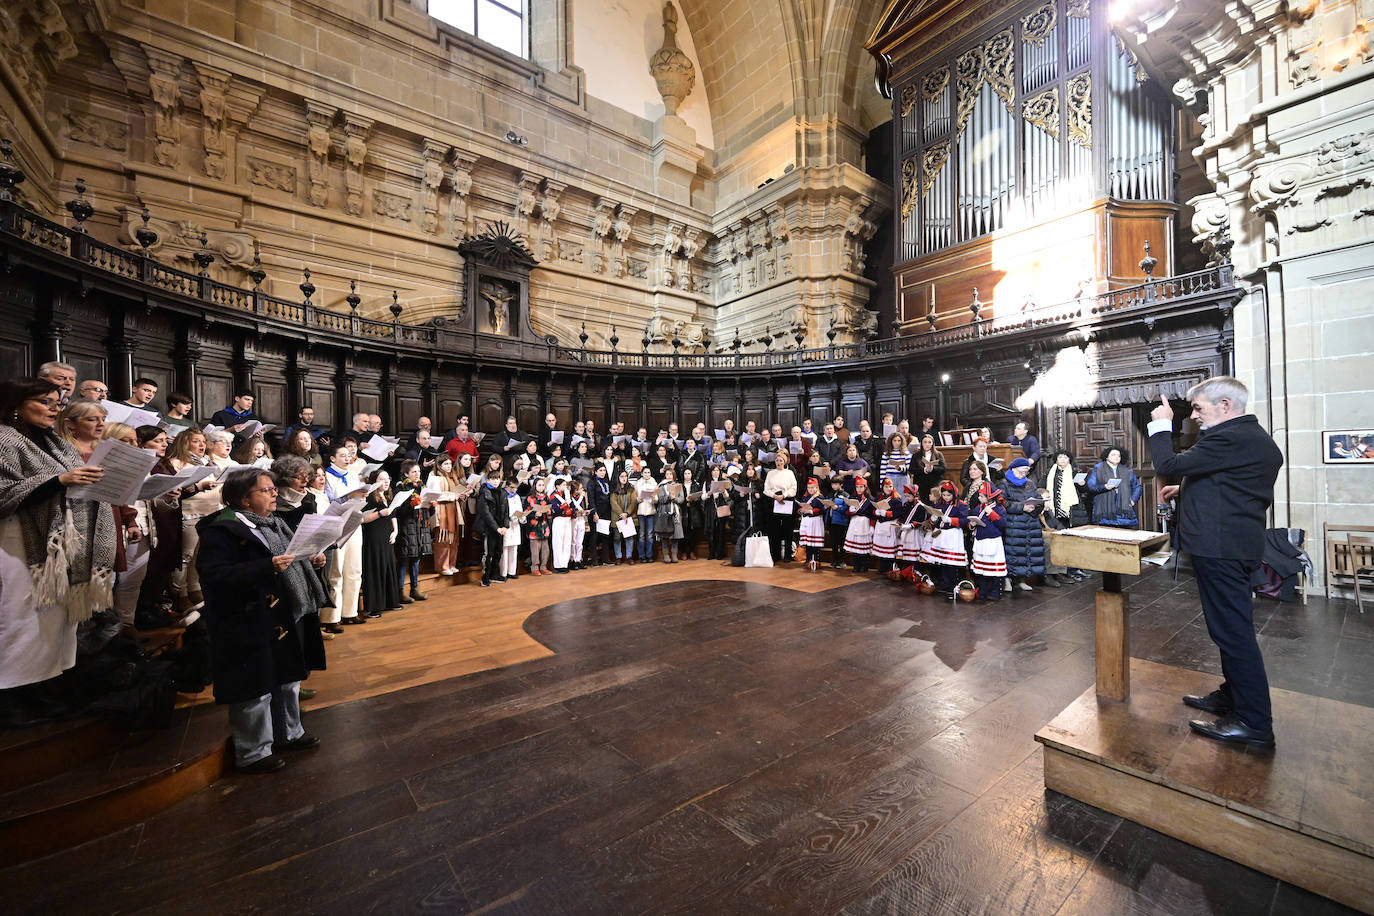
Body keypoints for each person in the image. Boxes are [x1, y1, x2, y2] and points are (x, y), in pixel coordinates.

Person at [1149, 380, 1283, 749]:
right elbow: (1230, 484)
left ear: (1225, 405)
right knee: (1228, 628)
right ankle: (1233, 697)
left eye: (1198, 409)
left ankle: (1254, 723)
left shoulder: (1231, 437)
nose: (1193, 416)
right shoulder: (1245, 436)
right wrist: (1187, 489)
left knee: (1233, 633)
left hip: (1223, 548)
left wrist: (1162, 423)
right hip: (1230, 544)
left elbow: (1167, 464)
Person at [196, 468, 327, 773]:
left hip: (281, 610)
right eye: (266, 490)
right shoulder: (221, 530)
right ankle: (254, 752)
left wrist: (311, 560)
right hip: (245, 617)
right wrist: (265, 567)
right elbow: (215, 575)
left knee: (287, 678)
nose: (274, 494)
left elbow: (288, 560)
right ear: (244, 498)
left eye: (273, 489)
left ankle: (288, 734)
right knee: (253, 688)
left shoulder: (275, 523)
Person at [0, 378, 114, 726]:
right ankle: (9, 696)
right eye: (45, 401)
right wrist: (60, 482)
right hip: (19, 539)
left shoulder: (54, 441)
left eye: (57, 402)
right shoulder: (3, 438)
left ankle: (42, 686)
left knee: (53, 617)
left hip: (60, 543)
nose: (55, 408)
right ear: (16, 404)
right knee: (21, 616)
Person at [359, 470, 402, 617]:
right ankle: (374, 606)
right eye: (382, 479)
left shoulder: (387, 495)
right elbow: (363, 519)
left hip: (386, 534)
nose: (386, 482)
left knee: (388, 565)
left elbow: (393, 514)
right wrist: (379, 514)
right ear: (374, 481)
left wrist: (395, 531)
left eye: (387, 479)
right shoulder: (369, 497)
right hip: (373, 535)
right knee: (375, 568)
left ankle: (390, 601)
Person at [1000, 457, 1046, 592]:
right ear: (1013, 469)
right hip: (1013, 523)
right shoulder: (1004, 483)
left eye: (1025, 472)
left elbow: (1038, 500)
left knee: (1026, 552)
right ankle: (1007, 579)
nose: (1023, 475)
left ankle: (1021, 579)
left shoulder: (1030, 483)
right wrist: (1022, 507)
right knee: (1012, 552)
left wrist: (1035, 507)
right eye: (1020, 472)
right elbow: (1003, 503)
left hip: (1030, 523)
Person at [1043, 450, 1085, 583]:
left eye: (1065, 457)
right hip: (1054, 512)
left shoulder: (1074, 472)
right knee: (1057, 542)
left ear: (1069, 460)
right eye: (1060, 457)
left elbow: (1084, 490)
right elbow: (1041, 487)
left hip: (1070, 512)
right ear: (1056, 459)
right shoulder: (1050, 472)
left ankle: (1070, 570)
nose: (1062, 460)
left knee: (1070, 542)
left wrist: (1083, 485)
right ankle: (1057, 572)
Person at [392, 460, 429, 603]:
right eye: (414, 472)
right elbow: (397, 510)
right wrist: (411, 504)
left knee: (416, 558)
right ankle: (400, 591)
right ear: (406, 473)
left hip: (419, 526)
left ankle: (415, 589)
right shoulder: (400, 488)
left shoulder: (422, 487)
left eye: (418, 471)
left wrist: (430, 504)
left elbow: (426, 510)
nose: (417, 474)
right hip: (406, 527)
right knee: (403, 559)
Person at [1086, 446, 1143, 528]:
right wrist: (1104, 487)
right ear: (1106, 457)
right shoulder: (1098, 469)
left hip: (1124, 514)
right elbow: (1091, 486)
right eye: (1113, 455)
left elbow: (1137, 487)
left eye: (1118, 455)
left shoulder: (1126, 471)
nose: (1116, 457)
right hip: (1104, 513)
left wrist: (1132, 500)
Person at [474, 466, 508, 586]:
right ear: (487, 480)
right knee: (489, 553)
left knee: (498, 552)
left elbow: (506, 511)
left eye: (497, 479)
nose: (495, 481)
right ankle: (485, 577)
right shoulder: (484, 493)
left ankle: (494, 575)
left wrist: (505, 526)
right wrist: (496, 528)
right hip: (489, 528)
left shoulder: (503, 492)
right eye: (492, 479)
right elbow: (485, 513)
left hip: (500, 528)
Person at [763, 451, 797, 562]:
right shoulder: (770, 473)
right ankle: (775, 555)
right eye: (777, 460)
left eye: (781, 460)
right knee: (774, 530)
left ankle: (787, 555)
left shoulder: (789, 473)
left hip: (786, 501)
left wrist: (784, 495)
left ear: (785, 461)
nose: (779, 462)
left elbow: (794, 488)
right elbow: (766, 489)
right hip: (773, 502)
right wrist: (774, 496)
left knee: (788, 530)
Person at [654, 467, 685, 563]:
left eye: (671, 474)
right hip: (664, 512)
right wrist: (668, 497)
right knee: (664, 536)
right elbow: (660, 499)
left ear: (673, 475)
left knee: (676, 535)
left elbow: (681, 499)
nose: (669, 476)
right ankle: (666, 555)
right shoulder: (660, 486)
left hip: (675, 513)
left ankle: (674, 554)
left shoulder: (678, 485)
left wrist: (674, 498)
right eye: (667, 474)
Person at [525, 476, 553, 574]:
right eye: (539, 485)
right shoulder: (530, 498)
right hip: (534, 525)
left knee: (545, 548)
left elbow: (550, 508)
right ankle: (535, 567)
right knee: (535, 549)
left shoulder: (546, 497)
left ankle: (543, 566)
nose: (541, 487)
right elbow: (526, 512)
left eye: (542, 485)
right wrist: (535, 515)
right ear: (535, 486)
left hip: (544, 524)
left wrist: (549, 511)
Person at [610, 469, 638, 564]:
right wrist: (621, 514)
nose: (624, 478)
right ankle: (618, 556)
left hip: (628, 517)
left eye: (625, 476)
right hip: (617, 517)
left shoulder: (631, 488)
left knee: (629, 537)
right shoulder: (614, 489)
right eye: (622, 476)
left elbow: (634, 501)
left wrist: (627, 513)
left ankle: (629, 556)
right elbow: (613, 503)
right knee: (617, 538)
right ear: (618, 478)